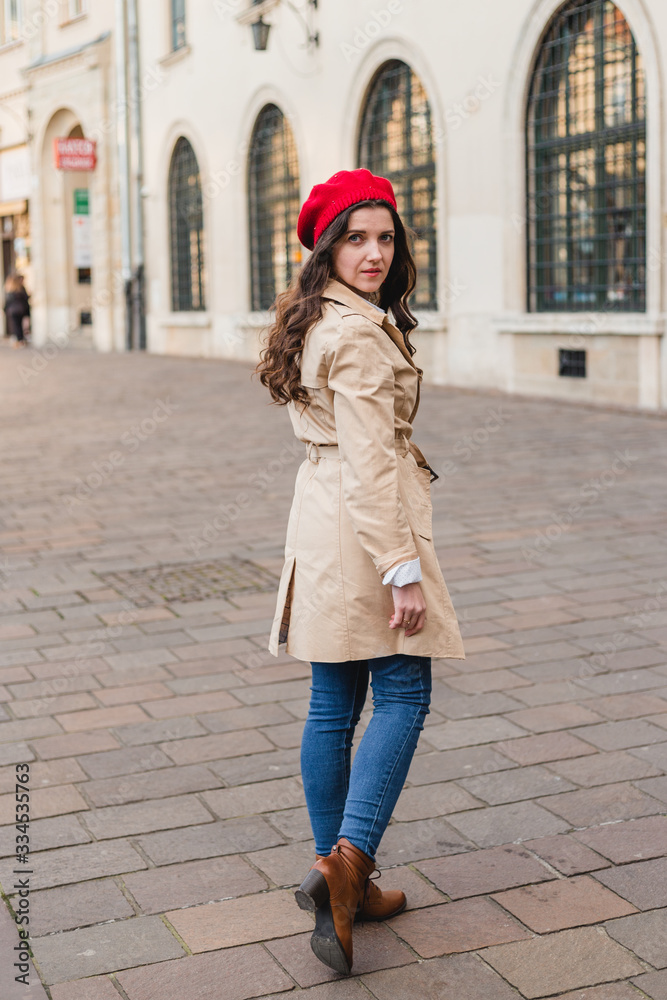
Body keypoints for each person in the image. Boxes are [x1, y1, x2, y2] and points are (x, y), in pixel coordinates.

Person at [257, 168, 464, 975]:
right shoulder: (355, 334)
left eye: (385, 237)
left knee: (333, 698)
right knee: (405, 690)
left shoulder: (314, 320)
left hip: (320, 513)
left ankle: (336, 876)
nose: (374, 252)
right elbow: (375, 463)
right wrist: (401, 569)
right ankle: (349, 862)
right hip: (362, 522)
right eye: (356, 238)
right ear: (327, 246)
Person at [3, 273, 30, 348]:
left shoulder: (10, 290)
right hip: (21, 310)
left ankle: (19, 340)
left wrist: (5, 310)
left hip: (13, 310)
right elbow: (26, 299)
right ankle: (20, 340)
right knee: (19, 325)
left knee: (16, 325)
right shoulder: (21, 289)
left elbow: (8, 301)